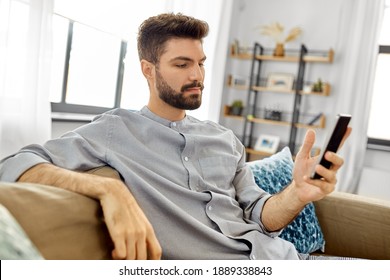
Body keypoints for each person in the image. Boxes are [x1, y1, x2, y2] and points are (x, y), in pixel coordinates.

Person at [0, 13, 351, 260]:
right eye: (182, 65)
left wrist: (298, 194)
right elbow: (15, 163)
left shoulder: (224, 138)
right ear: (148, 70)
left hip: (283, 260)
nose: (197, 74)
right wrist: (109, 188)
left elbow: (261, 215)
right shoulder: (114, 130)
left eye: (201, 63)